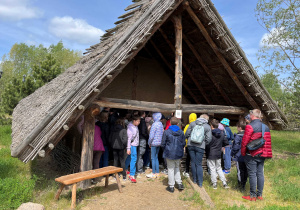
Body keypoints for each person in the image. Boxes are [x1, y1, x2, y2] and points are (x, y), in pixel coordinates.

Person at [241, 109, 272, 201]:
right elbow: (267, 142)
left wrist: (243, 153)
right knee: (260, 174)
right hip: (263, 153)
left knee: (252, 174)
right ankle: (260, 195)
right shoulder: (265, 127)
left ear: (252, 115)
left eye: (250, 114)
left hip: (252, 154)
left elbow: (244, 142)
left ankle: (252, 196)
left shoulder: (250, 126)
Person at [185, 114, 212, 187]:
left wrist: (189, 140)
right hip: (200, 146)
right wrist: (204, 143)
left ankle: (194, 179)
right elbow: (209, 138)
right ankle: (200, 182)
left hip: (191, 145)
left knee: (193, 162)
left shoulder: (192, 123)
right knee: (199, 164)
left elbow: (186, 134)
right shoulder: (207, 126)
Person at [161, 117, 186, 193]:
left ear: (170, 123)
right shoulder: (181, 132)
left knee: (171, 169)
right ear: (178, 123)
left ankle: (171, 186)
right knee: (177, 168)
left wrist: (166, 149)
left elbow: (163, 144)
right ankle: (179, 183)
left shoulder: (166, 132)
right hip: (178, 152)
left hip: (169, 152)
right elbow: (184, 143)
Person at [206, 119, 230, 189]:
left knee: (212, 169)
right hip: (218, 153)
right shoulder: (222, 134)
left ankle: (214, 184)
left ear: (211, 126)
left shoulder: (210, 134)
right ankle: (224, 183)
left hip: (211, 153)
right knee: (219, 168)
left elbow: (207, 144)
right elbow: (226, 143)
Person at [231, 119, 248, 192]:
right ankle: (244, 184)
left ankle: (240, 186)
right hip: (247, 156)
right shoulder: (248, 135)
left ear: (240, 128)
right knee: (245, 171)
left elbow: (235, 147)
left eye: (237, 127)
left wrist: (232, 154)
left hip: (239, 156)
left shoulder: (238, 136)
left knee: (240, 171)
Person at [147, 112, 164, 178]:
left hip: (154, 143)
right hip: (159, 143)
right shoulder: (161, 124)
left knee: (153, 158)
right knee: (156, 157)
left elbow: (151, 136)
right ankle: (157, 172)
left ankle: (153, 173)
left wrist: (149, 143)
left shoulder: (154, 124)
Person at [127, 115, 141, 183]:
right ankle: (131, 175)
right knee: (134, 158)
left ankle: (125, 168)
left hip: (134, 144)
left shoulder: (135, 126)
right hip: (132, 145)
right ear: (134, 121)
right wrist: (128, 148)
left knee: (130, 157)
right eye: (138, 121)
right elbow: (129, 139)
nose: (139, 122)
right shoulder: (130, 128)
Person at [183, 113, 197, 178]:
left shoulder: (188, 126)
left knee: (188, 158)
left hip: (189, 144)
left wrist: (185, 144)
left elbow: (184, 135)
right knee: (195, 159)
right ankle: (194, 172)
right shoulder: (198, 125)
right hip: (197, 144)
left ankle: (187, 171)